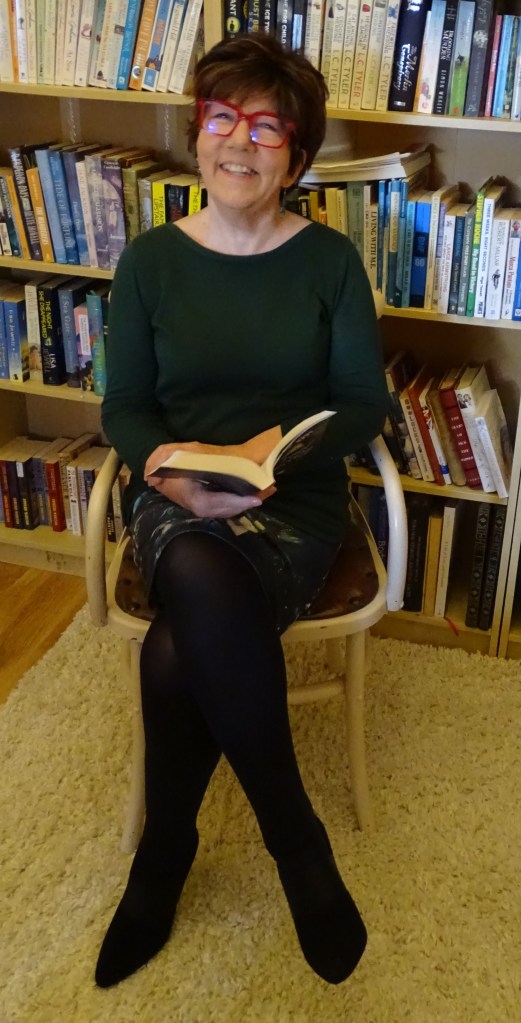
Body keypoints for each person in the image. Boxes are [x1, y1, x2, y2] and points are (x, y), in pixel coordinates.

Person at [96, 33, 388, 990]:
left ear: (294, 158)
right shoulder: (149, 262)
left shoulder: (330, 262)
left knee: (176, 643)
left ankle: (164, 855)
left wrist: (285, 449)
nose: (238, 141)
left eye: (266, 127)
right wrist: (167, 470)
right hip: (175, 490)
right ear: (197, 134)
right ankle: (294, 837)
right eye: (222, 117)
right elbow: (125, 407)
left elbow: (362, 402)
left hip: (291, 497)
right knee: (191, 559)